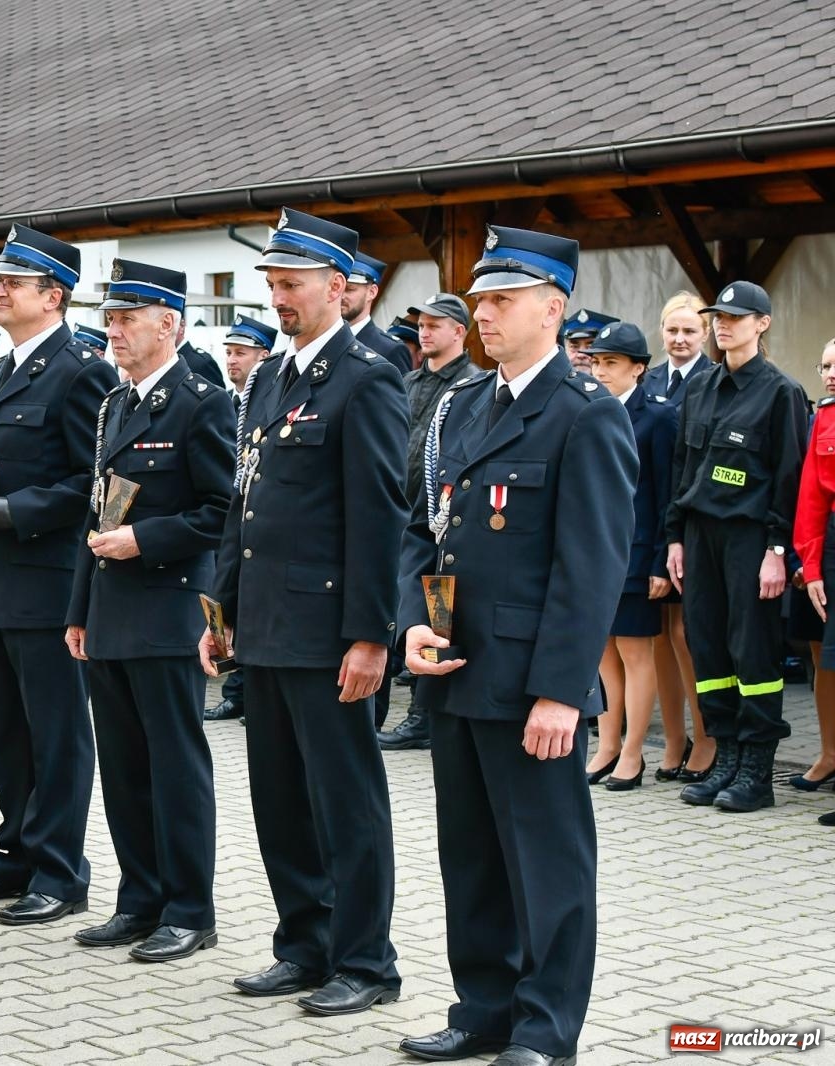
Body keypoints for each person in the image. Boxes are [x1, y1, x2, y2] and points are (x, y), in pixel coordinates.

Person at [399, 225, 636, 1066]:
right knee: (472, 857)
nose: (484, 314)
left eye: (501, 300)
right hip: (458, 669)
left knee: (547, 865)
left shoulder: (585, 416)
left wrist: (563, 692)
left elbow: (593, 566)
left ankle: (545, 1030)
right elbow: (421, 530)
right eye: (481, 301)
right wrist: (412, 619)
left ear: (552, 307)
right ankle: (483, 1009)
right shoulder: (464, 404)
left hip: (531, 683)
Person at [203, 208, 406, 1014]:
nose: (279, 298)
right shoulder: (274, 378)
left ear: (338, 286)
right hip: (266, 628)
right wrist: (219, 615)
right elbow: (241, 505)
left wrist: (368, 635)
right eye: (272, 284)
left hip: (327, 634)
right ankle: (304, 944)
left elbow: (380, 514)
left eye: (291, 284)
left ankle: (366, 962)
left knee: (346, 804)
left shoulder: (369, 376)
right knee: (281, 799)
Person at [0, 224, 115, 925]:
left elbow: (95, 481)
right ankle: (15, 854)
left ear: (54, 296)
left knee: (55, 734)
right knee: (8, 733)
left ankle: (59, 869)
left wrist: (17, 510)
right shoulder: (5, 370)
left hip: (43, 581)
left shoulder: (81, 371)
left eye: (13, 282)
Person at [68, 259, 234, 962]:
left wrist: (146, 539)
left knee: (174, 768)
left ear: (169, 323)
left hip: (167, 611)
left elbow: (222, 511)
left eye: (127, 319)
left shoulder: (201, 402)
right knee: (125, 770)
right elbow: (95, 507)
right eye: (109, 319)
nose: (115, 331)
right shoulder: (117, 403)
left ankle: (189, 910)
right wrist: (79, 608)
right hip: (111, 614)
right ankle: (139, 899)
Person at [666, 280, 805, 813]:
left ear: (761, 324)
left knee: (753, 653)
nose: (723, 325)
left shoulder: (780, 392)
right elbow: (683, 467)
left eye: (735, 317)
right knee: (709, 649)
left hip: (750, 538)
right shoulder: (700, 388)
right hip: (701, 536)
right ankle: (724, 756)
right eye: (717, 318)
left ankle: (757, 769)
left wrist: (776, 549)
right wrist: (675, 537)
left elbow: (788, 477)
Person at [379, 292, 481, 751]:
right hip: (401, 516)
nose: (424, 330)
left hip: (441, 519)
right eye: (421, 323)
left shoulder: (472, 386)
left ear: (459, 331)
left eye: (436, 323)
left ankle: (424, 711)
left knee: (439, 611)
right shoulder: (407, 381)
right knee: (399, 610)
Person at [582, 322, 678, 791]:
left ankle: (635, 751)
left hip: (639, 555)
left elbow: (666, 495)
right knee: (603, 653)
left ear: (639, 369)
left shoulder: (658, 418)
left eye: (612, 363)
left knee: (636, 653)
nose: (602, 371)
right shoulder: (592, 409)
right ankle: (608, 743)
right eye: (597, 362)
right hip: (599, 553)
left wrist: (661, 560)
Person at [647, 292, 713, 781]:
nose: (680, 339)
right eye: (672, 330)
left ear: (705, 334)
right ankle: (674, 739)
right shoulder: (647, 381)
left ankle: (707, 738)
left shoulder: (715, 382)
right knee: (659, 641)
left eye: (690, 331)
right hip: (652, 527)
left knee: (687, 636)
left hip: (692, 530)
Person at [204, 312, 276, 724]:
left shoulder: (260, 400)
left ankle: (241, 690)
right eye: (228, 352)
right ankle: (236, 689)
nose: (232, 360)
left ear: (262, 356)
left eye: (241, 353)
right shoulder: (231, 401)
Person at [793, 337, 835, 826]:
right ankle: (829, 753)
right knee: (824, 656)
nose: (829, 374)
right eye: (823, 366)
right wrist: (813, 565)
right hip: (828, 548)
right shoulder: (823, 416)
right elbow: (811, 497)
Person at [343, 253, 412, 374]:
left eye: (350, 289)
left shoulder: (390, 349)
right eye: (337, 287)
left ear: (372, 292)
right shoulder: (321, 339)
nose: (341, 296)